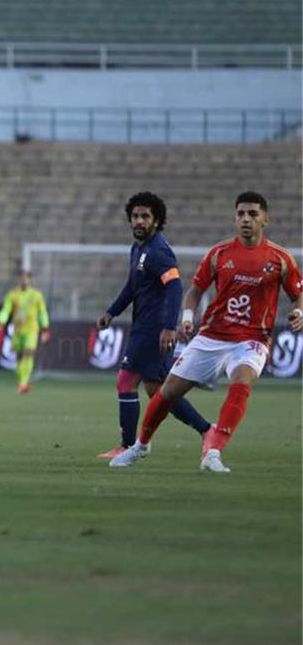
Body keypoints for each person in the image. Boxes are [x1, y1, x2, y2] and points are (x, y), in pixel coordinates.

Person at [111, 192, 303, 472]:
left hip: (252, 339)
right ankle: (139, 445)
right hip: (212, 336)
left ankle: (213, 451)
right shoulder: (219, 254)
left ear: (265, 219)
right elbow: (194, 290)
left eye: (252, 214)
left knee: (242, 380)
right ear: (235, 218)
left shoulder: (280, 259)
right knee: (167, 392)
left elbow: (298, 295)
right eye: (241, 214)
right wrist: (187, 318)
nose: (246, 219)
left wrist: (299, 312)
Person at [94, 193, 211, 459]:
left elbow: (174, 287)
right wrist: (111, 313)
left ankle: (127, 446)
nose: (139, 221)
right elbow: (132, 287)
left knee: (126, 382)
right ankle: (207, 430)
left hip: (154, 330)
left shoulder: (158, 251)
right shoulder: (138, 249)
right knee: (159, 392)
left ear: (157, 221)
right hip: (145, 328)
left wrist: (170, 327)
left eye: (145, 216)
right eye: (135, 216)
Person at [0, 270, 50, 393]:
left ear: (30, 280)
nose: (24, 280)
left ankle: (24, 383)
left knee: (29, 352)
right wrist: (1, 322)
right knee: (19, 356)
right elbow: (6, 310)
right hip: (18, 330)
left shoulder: (36, 295)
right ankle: (21, 380)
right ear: (19, 280)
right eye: (22, 278)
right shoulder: (12, 295)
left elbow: (42, 312)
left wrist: (45, 328)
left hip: (32, 329)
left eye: (26, 278)